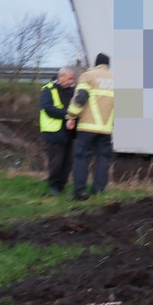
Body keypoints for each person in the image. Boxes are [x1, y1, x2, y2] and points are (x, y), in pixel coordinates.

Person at [66, 53, 115, 201]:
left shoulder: (88, 76)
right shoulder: (116, 79)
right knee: (103, 159)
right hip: (106, 128)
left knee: (82, 158)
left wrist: (71, 116)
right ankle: (98, 190)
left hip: (87, 126)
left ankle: (80, 192)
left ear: (96, 63)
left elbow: (80, 97)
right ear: (108, 65)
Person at [39, 67, 77, 195]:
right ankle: (54, 186)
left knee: (68, 161)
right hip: (54, 132)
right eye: (69, 78)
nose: (72, 81)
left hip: (69, 132)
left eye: (72, 78)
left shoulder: (72, 91)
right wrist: (67, 115)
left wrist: (73, 119)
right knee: (56, 161)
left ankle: (62, 185)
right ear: (60, 77)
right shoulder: (48, 89)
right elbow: (48, 108)